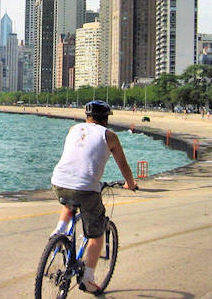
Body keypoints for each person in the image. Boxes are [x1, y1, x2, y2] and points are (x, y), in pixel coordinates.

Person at [50, 100, 138, 293]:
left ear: (87, 117)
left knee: (70, 200)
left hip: (58, 182)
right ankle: (88, 279)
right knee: (96, 235)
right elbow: (123, 165)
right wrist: (130, 184)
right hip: (87, 189)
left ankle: (58, 234)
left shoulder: (74, 129)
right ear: (106, 119)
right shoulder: (109, 135)